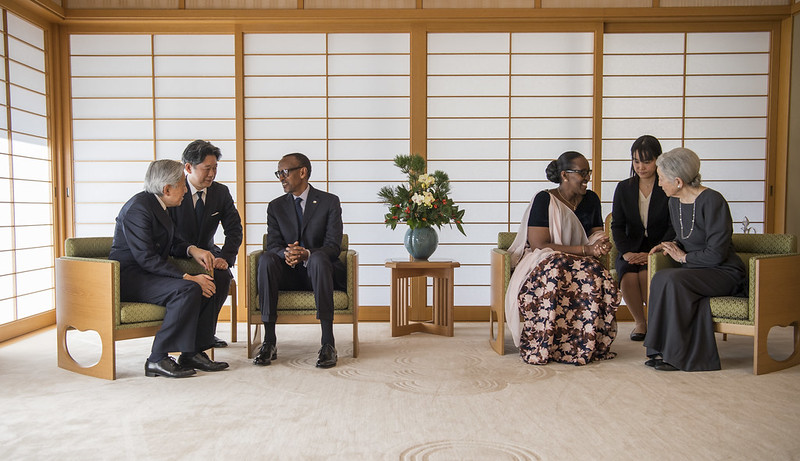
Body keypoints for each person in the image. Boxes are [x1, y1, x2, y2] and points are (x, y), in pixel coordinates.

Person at [109, 159, 229, 378]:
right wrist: (188, 277)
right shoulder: (138, 209)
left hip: (150, 273)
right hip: (131, 277)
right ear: (166, 189)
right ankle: (157, 358)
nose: (185, 189)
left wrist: (193, 250)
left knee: (211, 281)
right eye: (183, 184)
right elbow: (146, 258)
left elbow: (172, 243)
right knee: (189, 289)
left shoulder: (159, 205)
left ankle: (192, 351)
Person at [505, 151, 621, 365]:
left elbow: (595, 231)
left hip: (581, 260)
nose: (587, 178)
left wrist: (601, 243)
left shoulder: (591, 199)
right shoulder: (544, 199)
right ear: (565, 175)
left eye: (589, 172)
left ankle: (582, 344)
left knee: (596, 275)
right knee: (557, 267)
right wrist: (587, 250)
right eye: (582, 173)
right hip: (546, 258)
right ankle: (547, 343)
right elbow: (540, 244)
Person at [645, 147, 746, 372]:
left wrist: (683, 257)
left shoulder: (713, 201)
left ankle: (678, 356)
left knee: (673, 280)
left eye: (661, 179)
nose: (659, 184)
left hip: (724, 272)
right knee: (661, 278)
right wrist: (671, 245)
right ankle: (661, 349)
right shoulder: (674, 202)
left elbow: (717, 253)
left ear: (678, 181)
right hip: (697, 269)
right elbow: (686, 236)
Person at [254, 152, 346, 368]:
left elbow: (333, 245)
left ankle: (327, 344)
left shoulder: (329, 202)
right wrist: (285, 254)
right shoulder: (275, 206)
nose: (281, 178)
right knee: (267, 259)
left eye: (284, 172)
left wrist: (306, 254)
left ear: (302, 172)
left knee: (318, 259)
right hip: (287, 273)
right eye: (278, 173)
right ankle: (269, 341)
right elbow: (273, 244)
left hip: (319, 273)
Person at [169, 140, 243, 348]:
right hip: (177, 253)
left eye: (215, 168)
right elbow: (167, 234)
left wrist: (226, 258)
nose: (212, 174)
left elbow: (235, 230)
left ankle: (205, 335)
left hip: (209, 253)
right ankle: (187, 335)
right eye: (207, 169)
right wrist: (190, 250)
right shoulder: (173, 190)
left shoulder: (220, 192)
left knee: (221, 275)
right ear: (188, 167)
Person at [611, 135, 675, 342]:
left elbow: (673, 226)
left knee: (646, 275)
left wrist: (654, 251)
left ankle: (655, 322)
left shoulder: (667, 186)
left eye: (647, 161)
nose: (641, 167)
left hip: (660, 246)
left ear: (658, 160)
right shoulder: (624, 188)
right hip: (630, 247)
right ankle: (640, 322)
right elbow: (617, 226)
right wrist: (627, 252)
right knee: (628, 276)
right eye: (636, 161)